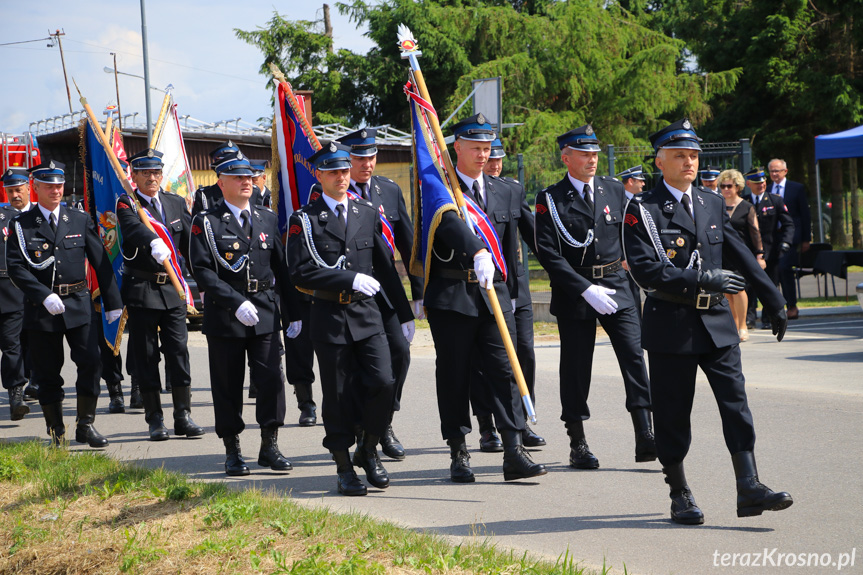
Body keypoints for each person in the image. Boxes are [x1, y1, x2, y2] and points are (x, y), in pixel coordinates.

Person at [622, 118, 793, 525]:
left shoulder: (710, 202)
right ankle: (679, 490)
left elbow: (739, 253)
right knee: (673, 413)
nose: (689, 162)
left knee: (736, 403)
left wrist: (772, 298)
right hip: (672, 323)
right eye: (680, 155)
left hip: (716, 321)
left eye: (694, 155)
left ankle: (748, 486)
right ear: (660, 161)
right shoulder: (642, 210)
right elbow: (645, 270)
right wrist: (700, 278)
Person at [424, 114, 546, 483]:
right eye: (475, 147)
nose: (483, 154)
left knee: (505, 369)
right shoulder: (439, 189)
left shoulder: (505, 190)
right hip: (453, 296)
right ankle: (459, 450)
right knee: (455, 374)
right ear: (456, 148)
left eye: (487, 147)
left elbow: (515, 245)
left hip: (494, 294)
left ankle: (513, 449)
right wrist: (477, 251)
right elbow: (447, 226)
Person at [287, 140, 414, 495]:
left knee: (385, 381)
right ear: (320, 174)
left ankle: (369, 448)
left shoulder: (366, 212)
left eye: (345, 170)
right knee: (338, 395)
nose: (342, 177)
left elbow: (386, 268)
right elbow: (299, 272)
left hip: (367, 315)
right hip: (330, 318)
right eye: (333, 171)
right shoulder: (305, 220)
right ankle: (344, 466)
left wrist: (404, 313)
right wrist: (347, 278)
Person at [534, 125, 655, 469]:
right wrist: (584, 288)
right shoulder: (551, 199)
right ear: (566, 157)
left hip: (617, 283)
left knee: (634, 356)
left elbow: (632, 234)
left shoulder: (614, 189)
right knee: (576, 366)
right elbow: (548, 253)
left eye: (595, 153)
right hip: (577, 289)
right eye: (584, 153)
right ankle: (578, 441)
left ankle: (645, 433)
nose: (592, 159)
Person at [190, 148, 294, 476]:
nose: (246, 181)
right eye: (238, 177)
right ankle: (232, 449)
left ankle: (269, 444)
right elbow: (203, 271)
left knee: (270, 379)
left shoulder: (266, 217)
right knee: (228, 383)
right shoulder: (205, 222)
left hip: (263, 311)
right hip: (226, 316)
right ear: (221, 182)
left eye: (249, 176)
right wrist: (236, 302)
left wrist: (293, 312)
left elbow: (282, 267)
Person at [6, 160, 123, 446]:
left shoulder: (78, 219)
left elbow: (100, 261)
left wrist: (113, 302)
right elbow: (16, 267)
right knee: (47, 372)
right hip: (42, 309)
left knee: (91, 363)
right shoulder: (21, 225)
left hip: (78, 303)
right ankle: (56, 430)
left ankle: (86, 425)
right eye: (49, 186)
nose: (56, 190)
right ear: (36, 188)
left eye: (59, 185)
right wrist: (43, 295)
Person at [336, 127, 421, 460]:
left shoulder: (389, 190)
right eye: (359, 157)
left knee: (399, 354)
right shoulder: (331, 190)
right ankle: (362, 425)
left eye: (371, 156)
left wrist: (418, 293)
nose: (367, 163)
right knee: (358, 366)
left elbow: (408, 243)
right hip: (350, 293)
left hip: (386, 292)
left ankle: (384, 421)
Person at [115, 149, 204, 441]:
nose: (151, 178)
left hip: (173, 288)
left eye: (156, 173)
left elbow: (190, 245)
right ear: (135, 176)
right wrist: (153, 240)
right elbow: (131, 230)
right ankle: (155, 418)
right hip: (143, 288)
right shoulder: (127, 203)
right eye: (145, 173)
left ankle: (183, 415)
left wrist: (202, 282)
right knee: (147, 354)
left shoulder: (175, 203)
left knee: (178, 352)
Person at [470, 137, 545, 451]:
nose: (495, 164)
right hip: (482, 293)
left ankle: (522, 418)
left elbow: (535, 235)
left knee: (524, 353)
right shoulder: (464, 196)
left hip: (516, 289)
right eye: (490, 158)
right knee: (484, 362)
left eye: (498, 158)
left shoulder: (511, 191)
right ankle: (487, 426)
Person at [717, 169, 766, 342]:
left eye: (729, 186)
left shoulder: (746, 207)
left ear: (737, 187)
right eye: (722, 186)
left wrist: (759, 255)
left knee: (738, 289)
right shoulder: (718, 204)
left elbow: (755, 232)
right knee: (726, 292)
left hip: (740, 254)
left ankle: (743, 326)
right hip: (722, 254)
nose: (725, 189)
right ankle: (733, 326)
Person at [744, 168, 794, 330]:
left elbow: (788, 224)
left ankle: (768, 318)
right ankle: (749, 318)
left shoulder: (775, 201)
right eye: (757, 183)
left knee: (770, 286)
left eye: (764, 182)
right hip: (749, 252)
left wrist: (786, 243)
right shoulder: (744, 202)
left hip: (771, 252)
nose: (762, 185)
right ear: (748, 184)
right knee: (749, 286)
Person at [0, 168, 32, 420]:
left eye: (18, 189)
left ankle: (24, 388)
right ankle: (16, 392)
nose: (14, 195)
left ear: (29, 187)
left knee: (25, 343)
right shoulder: (3, 217)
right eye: (10, 190)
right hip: (7, 290)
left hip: (33, 291)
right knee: (12, 344)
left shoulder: (39, 216)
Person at [766, 159, 811, 320]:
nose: (774, 174)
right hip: (772, 237)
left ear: (785, 171)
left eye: (777, 170)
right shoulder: (767, 189)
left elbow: (805, 214)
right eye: (772, 171)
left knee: (785, 268)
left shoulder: (796, 188)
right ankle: (775, 308)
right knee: (773, 272)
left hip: (791, 236)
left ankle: (792, 305)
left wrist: (806, 238)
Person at [192, 141, 266, 215]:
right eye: (238, 177)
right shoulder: (205, 195)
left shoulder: (254, 192)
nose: (246, 182)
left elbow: (259, 220)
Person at [617, 165, 647, 321]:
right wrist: (621, 257)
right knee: (632, 297)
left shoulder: (640, 201)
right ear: (630, 181)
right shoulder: (617, 201)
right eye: (640, 181)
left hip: (642, 255)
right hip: (626, 260)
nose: (643, 184)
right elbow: (615, 233)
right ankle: (637, 332)